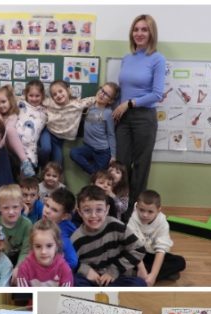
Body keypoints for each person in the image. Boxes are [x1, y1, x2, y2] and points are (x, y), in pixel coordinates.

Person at [114, 14, 165, 201]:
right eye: (136, 29)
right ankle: (119, 207)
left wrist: (129, 103)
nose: (139, 33)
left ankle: (133, 211)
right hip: (123, 117)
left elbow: (157, 94)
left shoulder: (157, 59)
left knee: (141, 166)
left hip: (144, 117)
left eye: (144, 29)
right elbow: (125, 88)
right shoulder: (127, 58)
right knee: (121, 166)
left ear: (151, 33)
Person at [71, 186, 147, 286]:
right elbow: (68, 263)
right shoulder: (76, 239)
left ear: (107, 210)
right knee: (75, 282)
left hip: (117, 277)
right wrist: (85, 270)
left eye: (99, 210)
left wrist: (113, 271)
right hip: (93, 281)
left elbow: (139, 249)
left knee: (139, 284)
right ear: (80, 212)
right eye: (87, 210)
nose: (93, 215)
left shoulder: (116, 226)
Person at [129, 189, 186, 284]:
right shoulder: (132, 219)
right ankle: (155, 274)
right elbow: (132, 246)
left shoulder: (162, 223)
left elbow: (161, 250)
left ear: (158, 210)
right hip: (136, 255)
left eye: (150, 212)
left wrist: (154, 275)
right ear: (137, 206)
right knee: (123, 258)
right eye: (141, 210)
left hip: (151, 254)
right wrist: (142, 269)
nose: (145, 215)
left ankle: (141, 276)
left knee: (180, 262)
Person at [39, 80, 96, 167]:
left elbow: (93, 99)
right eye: (54, 94)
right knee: (46, 149)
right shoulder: (50, 102)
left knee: (58, 166)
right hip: (48, 132)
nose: (58, 95)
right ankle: (40, 167)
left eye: (60, 91)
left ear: (68, 91)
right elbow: (35, 98)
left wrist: (103, 97)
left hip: (59, 141)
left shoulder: (77, 104)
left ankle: (48, 172)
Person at [71, 83, 119, 176]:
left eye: (106, 94)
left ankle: (96, 176)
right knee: (74, 153)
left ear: (110, 101)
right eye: (102, 90)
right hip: (88, 147)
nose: (102, 94)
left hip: (103, 152)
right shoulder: (89, 106)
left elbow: (111, 134)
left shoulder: (108, 113)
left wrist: (113, 155)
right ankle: (95, 174)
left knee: (100, 181)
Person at [16, 219, 73, 287]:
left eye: (49, 246)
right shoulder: (24, 268)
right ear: (32, 247)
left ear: (57, 245)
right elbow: (23, 296)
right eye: (38, 246)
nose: (43, 252)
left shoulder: (65, 270)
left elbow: (65, 296)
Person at [0, 184, 32, 273]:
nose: (11, 212)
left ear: (21, 206)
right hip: (0, 261)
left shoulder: (27, 224)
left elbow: (25, 251)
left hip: (20, 260)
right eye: (6, 207)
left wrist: (18, 268)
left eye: (15, 207)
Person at [0, 86, 27, 176]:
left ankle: (25, 162)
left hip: (9, 148)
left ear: (10, 100)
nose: (1, 105)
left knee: (10, 130)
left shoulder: (13, 115)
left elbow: (6, 131)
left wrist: (1, 122)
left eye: (3, 102)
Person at [15, 80, 48, 178]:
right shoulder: (20, 104)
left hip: (30, 147)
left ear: (42, 95)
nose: (34, 99)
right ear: (26, 94)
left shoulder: (45, 109)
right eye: (31, 95)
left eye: (37, 96)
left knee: (26, 176)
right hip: (16, 144)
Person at [41, 188, 79, 270]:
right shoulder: (49, 222)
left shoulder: (61, 236)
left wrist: (53, 269)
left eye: (54, 210)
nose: (47, 211)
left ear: (64, 216)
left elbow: (73, 262)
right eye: (47, 205)